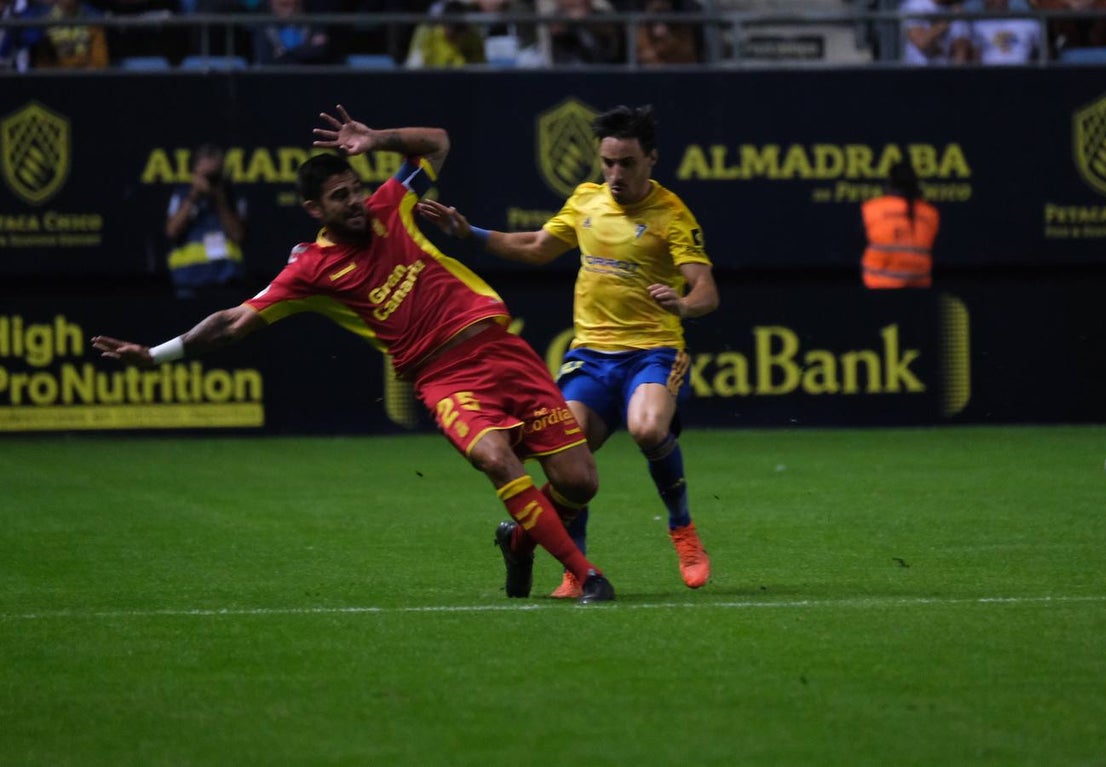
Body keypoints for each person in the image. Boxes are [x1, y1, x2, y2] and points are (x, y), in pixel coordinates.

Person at [91, 105, 616, 604]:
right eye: (340, 196)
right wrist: (155, 355)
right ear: (314, 210)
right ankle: (587, 574)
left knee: (579, 481)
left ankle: (519, 542)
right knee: (494, 457)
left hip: (500, 349)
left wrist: (376, 139)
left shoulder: (391, 202)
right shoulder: (310, 270)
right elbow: (232, 322)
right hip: (443, 377)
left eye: (356, 189)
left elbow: (438, 143)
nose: (355, 201)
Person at [418, 104, 718, 598]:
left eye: (627, 163)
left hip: (653, 349)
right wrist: (469, 233)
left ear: (652, 159)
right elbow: (537, 245)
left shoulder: (672, 214)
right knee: (567, 458)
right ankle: (574, 568)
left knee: (647, 428)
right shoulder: (586, 200)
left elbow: (706, 289)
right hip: (592, 356)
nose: (615, 174)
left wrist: (684, 304)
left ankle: (682, 529)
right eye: (608, 162)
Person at [164, 143, 248, 300]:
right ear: (195, 171)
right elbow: (171, 231)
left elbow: (238, 236)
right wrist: (194, 196)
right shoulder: (182, 194)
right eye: (206, 175)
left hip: (226, 278)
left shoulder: (232, 196)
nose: (210, 180)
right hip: (187, 280)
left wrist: (219, 198)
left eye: (214, 175)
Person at [859, 159, 939, 289]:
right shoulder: (930, 213)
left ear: (889, 182)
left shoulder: (871, 209)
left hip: (877, 287)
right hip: (919, 289)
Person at [30, 0, 110, 69]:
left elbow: (99, 62)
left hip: (85, 77)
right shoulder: (43, 21)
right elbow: (44, 65)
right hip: (55, 77)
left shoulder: (93, 20)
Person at [251, 0, 332, 66]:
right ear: (271, 3)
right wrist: (306, 48)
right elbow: (265, 59)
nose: (291, 9)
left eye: (296, 4)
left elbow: (318, 53)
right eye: (284, 5)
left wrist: (283, 52)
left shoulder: (315, 23)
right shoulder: (262, 25)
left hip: (309, 76)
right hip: (275, 77)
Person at [969, 0, 1043, 64]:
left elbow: (1043, 53)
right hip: (989, 73)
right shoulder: (979, 25)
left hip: (1023, 72)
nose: (997, 2)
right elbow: (976, 57)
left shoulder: (1028, 22)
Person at [899, 0, 973, 64]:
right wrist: (948, 19)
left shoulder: (956, 8)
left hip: (947, 71)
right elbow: (921, 42)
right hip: (918, 70)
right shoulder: (915, 5)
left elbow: (962, 49)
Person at [635, 0, 701, 65]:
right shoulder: (642, 30)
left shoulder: (686, 15)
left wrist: (666, 45)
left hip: (680, 62)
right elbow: (641, 55)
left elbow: (687, 55)